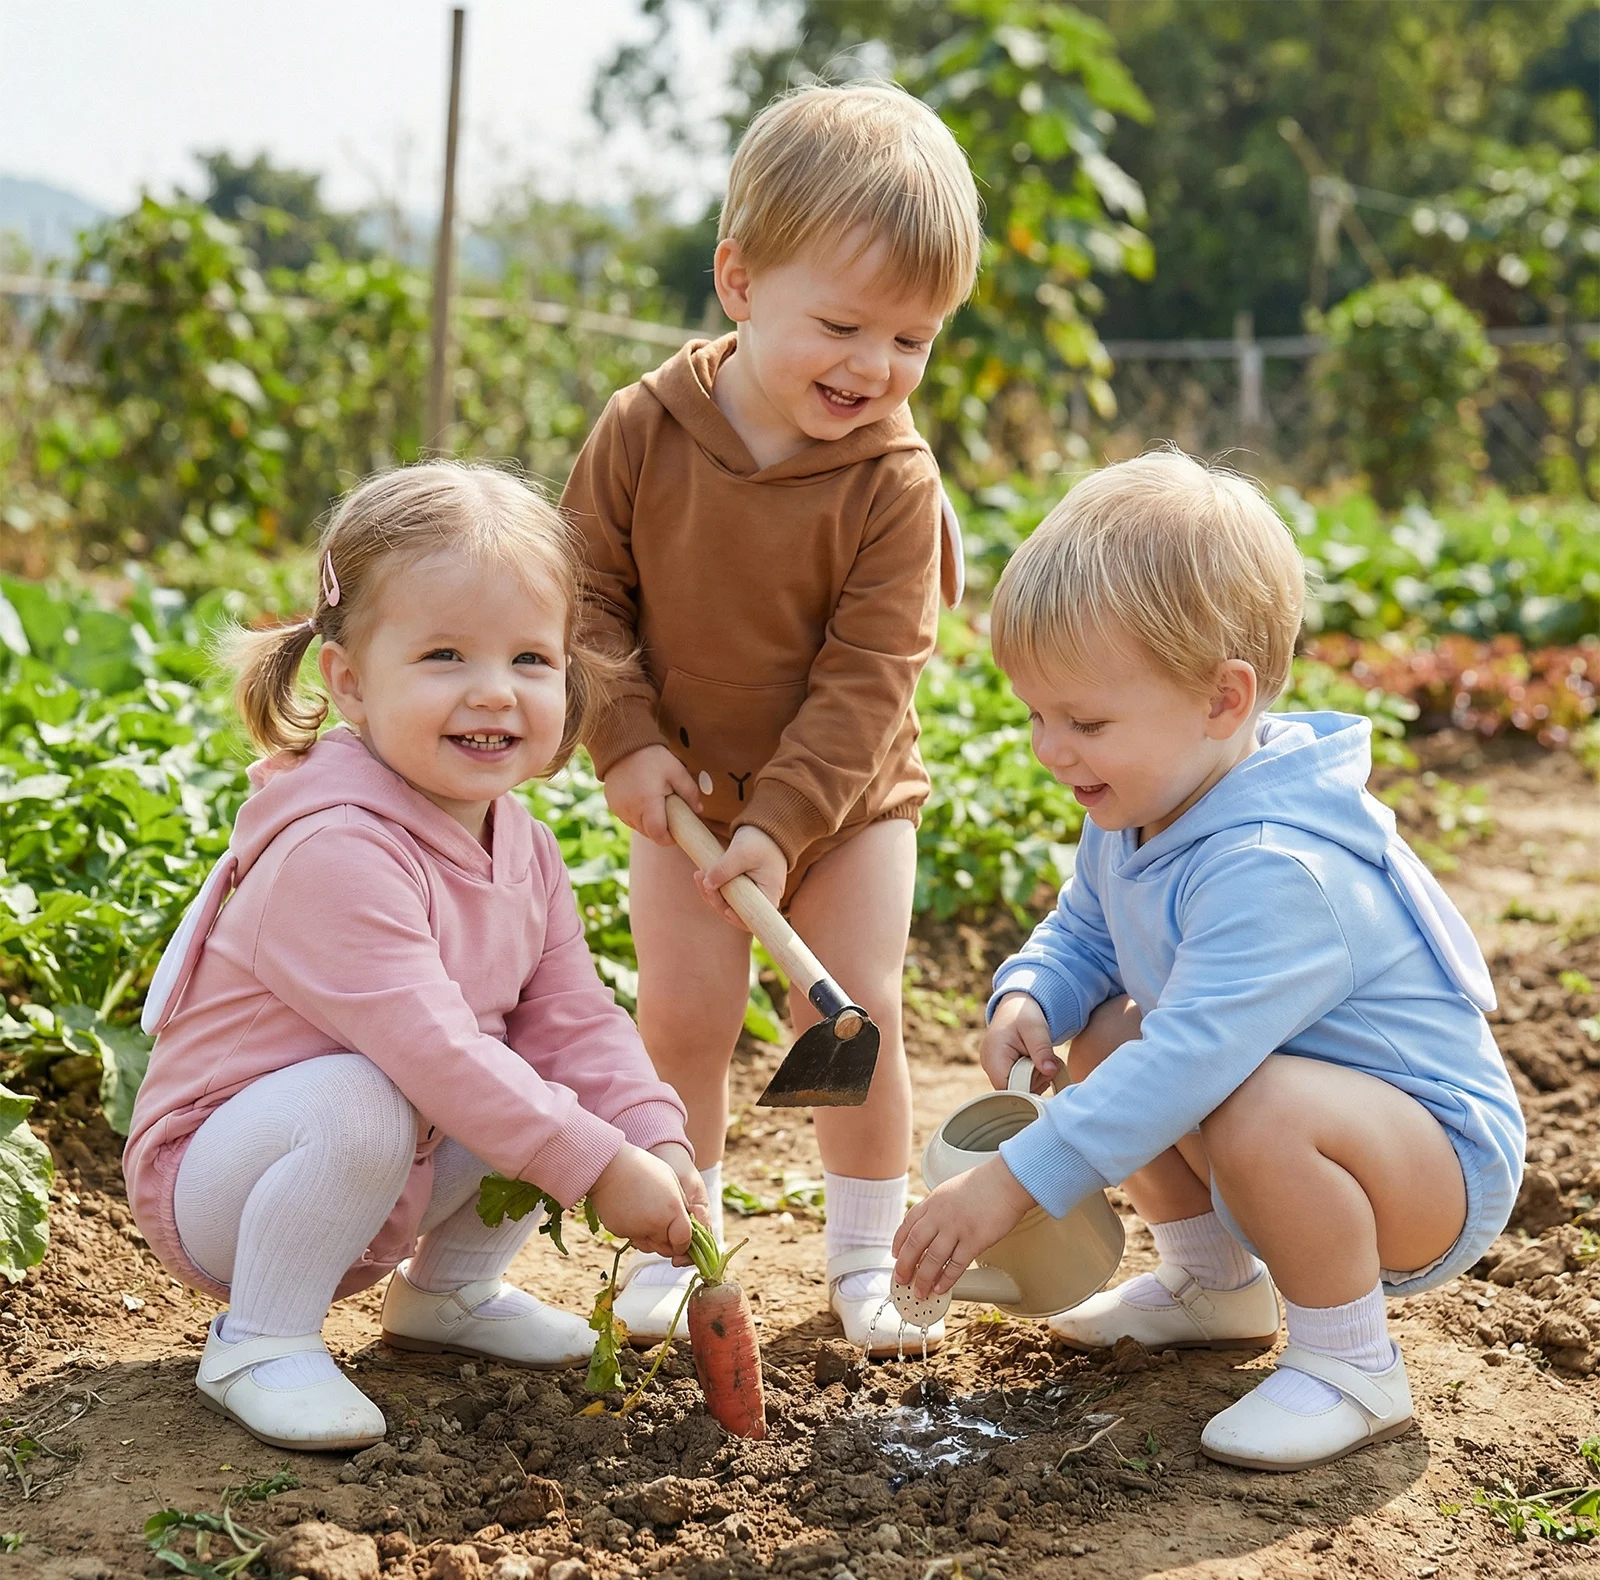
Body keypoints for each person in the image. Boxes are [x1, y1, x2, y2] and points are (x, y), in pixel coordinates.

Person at [892, 450, 1524, 1469]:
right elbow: (1087, 932)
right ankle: (1215, 1284)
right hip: (1302, 1119)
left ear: (1223, 700)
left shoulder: (1277, 866)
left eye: (1085, 720)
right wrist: (1030, 989)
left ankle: (1349, 1363)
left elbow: (1187, 1058)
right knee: (1103, 1031)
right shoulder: (1142, 801)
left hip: (1428, 1162)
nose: (1053, 749)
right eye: (1037, 715)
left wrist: (1014, 1183)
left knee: (1242, 1095)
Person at [124, 463, 705, 1451]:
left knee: (527, 1068)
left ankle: (449, 1291)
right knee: (381, 1087)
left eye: (530, 657)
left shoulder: (521, 839)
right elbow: (429, 1048)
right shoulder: (332, 844)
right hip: (230, 1177)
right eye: (443, 655)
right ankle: (258, 1338)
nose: (494, 691)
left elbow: (573, 1017)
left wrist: (652, 1135)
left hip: (395, 1155)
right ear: (348, 681)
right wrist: (595, 1167)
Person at [561, 82, 982, 1354]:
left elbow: (870, 676)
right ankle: (683, 1242)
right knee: (681, 1022)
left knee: (848, 1015)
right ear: (739, 281)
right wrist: (623, 737)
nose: (875, 368)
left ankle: (868, 1259)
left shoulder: (892, 484)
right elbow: (582, 596)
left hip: (844, 804)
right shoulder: (642, 431)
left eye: (912, 340)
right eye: (844, 325)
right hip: (684, 799)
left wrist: (791, 823)